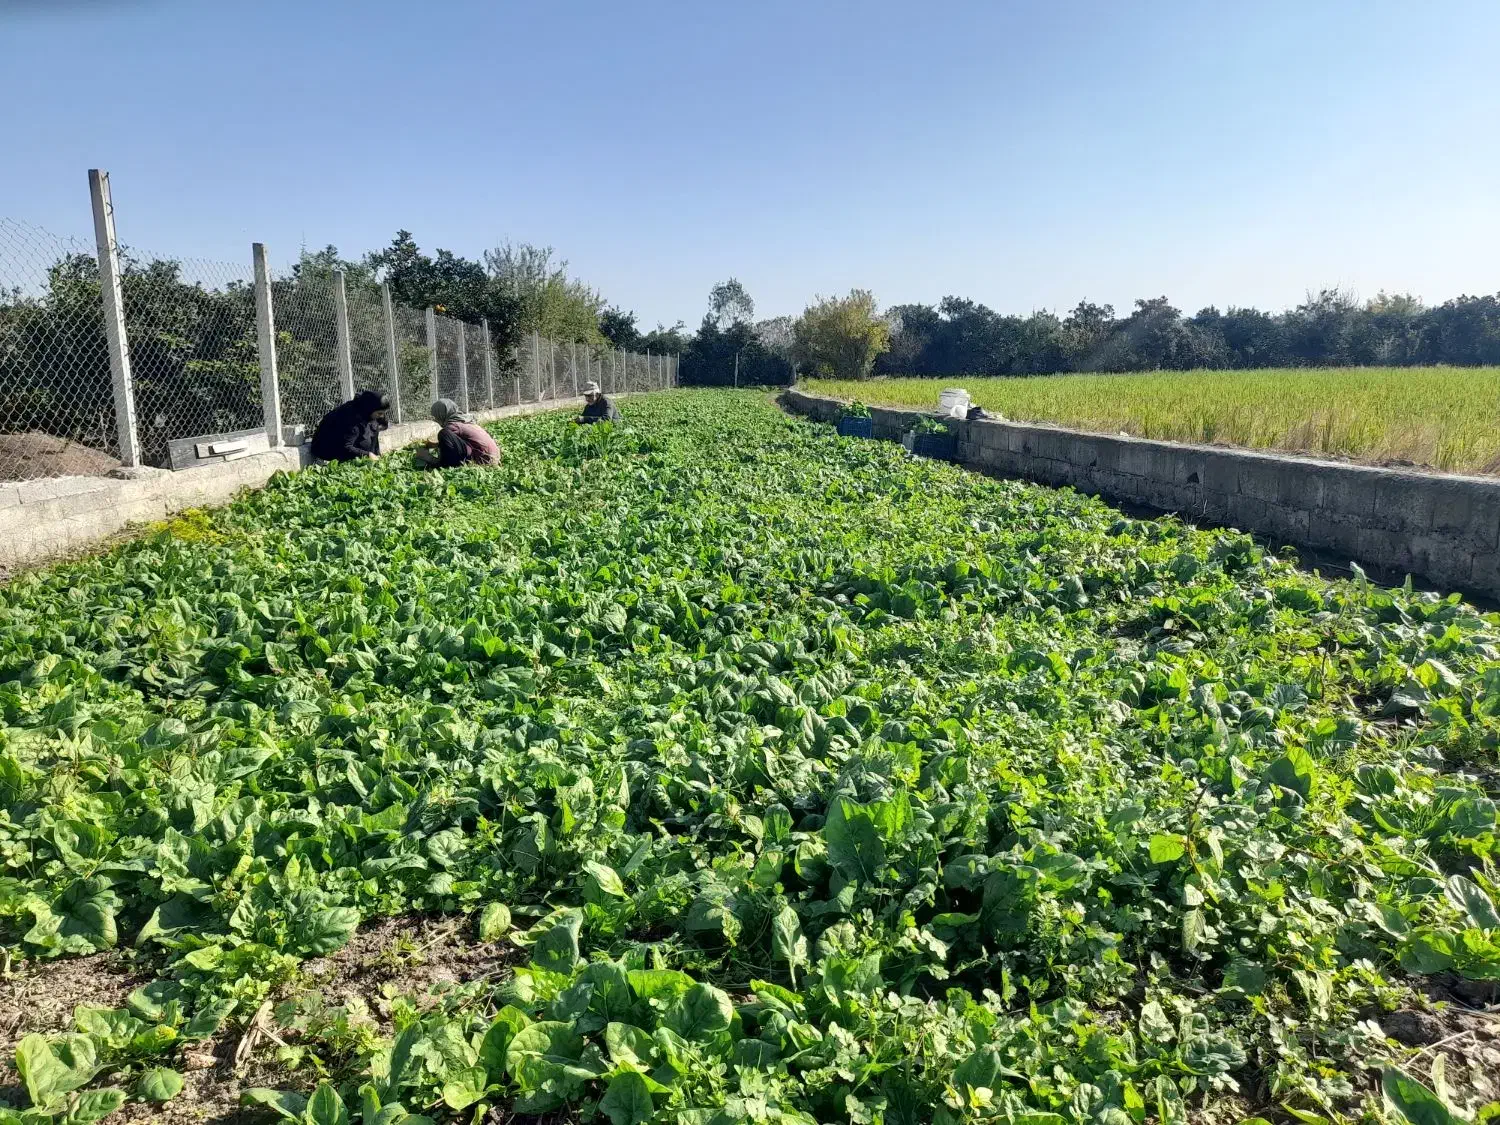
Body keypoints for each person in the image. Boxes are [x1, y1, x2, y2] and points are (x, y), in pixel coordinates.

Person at [413, 398, 501, 468]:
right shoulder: (465, 420)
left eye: (436, 416)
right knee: (445, 435)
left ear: (442, 414)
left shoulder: (454, 426)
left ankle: (437, 463)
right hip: (493, 458)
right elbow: (461, 441)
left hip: (483, 460)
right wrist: (434, 445)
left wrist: (427, 457)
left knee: (443, 434)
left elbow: (448, 442)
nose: (435, 420)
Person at [310, 390, 390, 463]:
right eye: (380, 413)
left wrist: (376, 454)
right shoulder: (351, 417)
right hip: (327, 446)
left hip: (348, 439)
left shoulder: (366, 410)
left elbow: (375, 430)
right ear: (370, 408)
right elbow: (345, 446)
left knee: (374, 425)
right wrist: (367, 454)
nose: (382, 416)